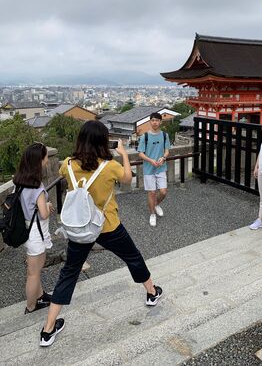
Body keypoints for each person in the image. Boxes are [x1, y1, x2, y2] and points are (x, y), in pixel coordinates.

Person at [40, 120, 162, 347]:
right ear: (102, 142)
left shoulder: (67, 163)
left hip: (79, 229)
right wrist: (123, 154)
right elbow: (127, 178)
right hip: (107, 225)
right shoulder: (109, 166)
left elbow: (63, 173)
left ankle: (48, 330)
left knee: (69, 273)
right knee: (132, 257)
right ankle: (152, 292)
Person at [13, 142, 54, 314]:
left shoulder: (19, 181)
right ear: (39, 161)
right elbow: (44, 214)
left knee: (34, 270)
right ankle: (31, 306)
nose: (46, 160)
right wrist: (49, 205)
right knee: (33, 273)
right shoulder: (37, 187)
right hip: (36, 232)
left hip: (27, 230)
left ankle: (40, 295)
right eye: (45, 157)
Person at [137, 112, 170, 227]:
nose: (155, 122)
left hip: (161, 167)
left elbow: (167, 150)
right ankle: (152, 214)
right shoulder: (144, 136)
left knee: (163, 192)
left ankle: (156, 205)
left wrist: (164, 157)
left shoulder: (165, 135)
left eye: (157, 120)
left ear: (160, 122)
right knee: (151, 193)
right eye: (153, 120)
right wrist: (151, 160)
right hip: (148, 169)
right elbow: (140, 153)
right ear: (150, 122)